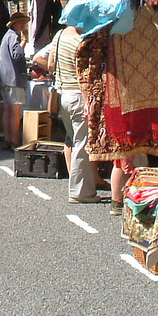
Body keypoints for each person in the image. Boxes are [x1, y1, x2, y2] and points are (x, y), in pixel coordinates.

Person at [48, 25, 100, 203]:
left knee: (73, 140)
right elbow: (85, 74)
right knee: (82, 144)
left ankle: (82, 187)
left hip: (63, 95)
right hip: (78, 95)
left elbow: (50, 64)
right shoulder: (81, 40)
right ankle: (81, 191)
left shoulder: (59, 35)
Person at [0, 12, 30, 150]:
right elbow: (17, 55)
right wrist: (24, 41)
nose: (24, 25)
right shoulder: (14, 37)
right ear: (16, 23)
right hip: (14, 79)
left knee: (7, 110)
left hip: (5, 78)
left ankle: (7, 139)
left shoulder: (7, 36)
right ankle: (15, 141)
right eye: (22, 22)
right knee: (15, 111)